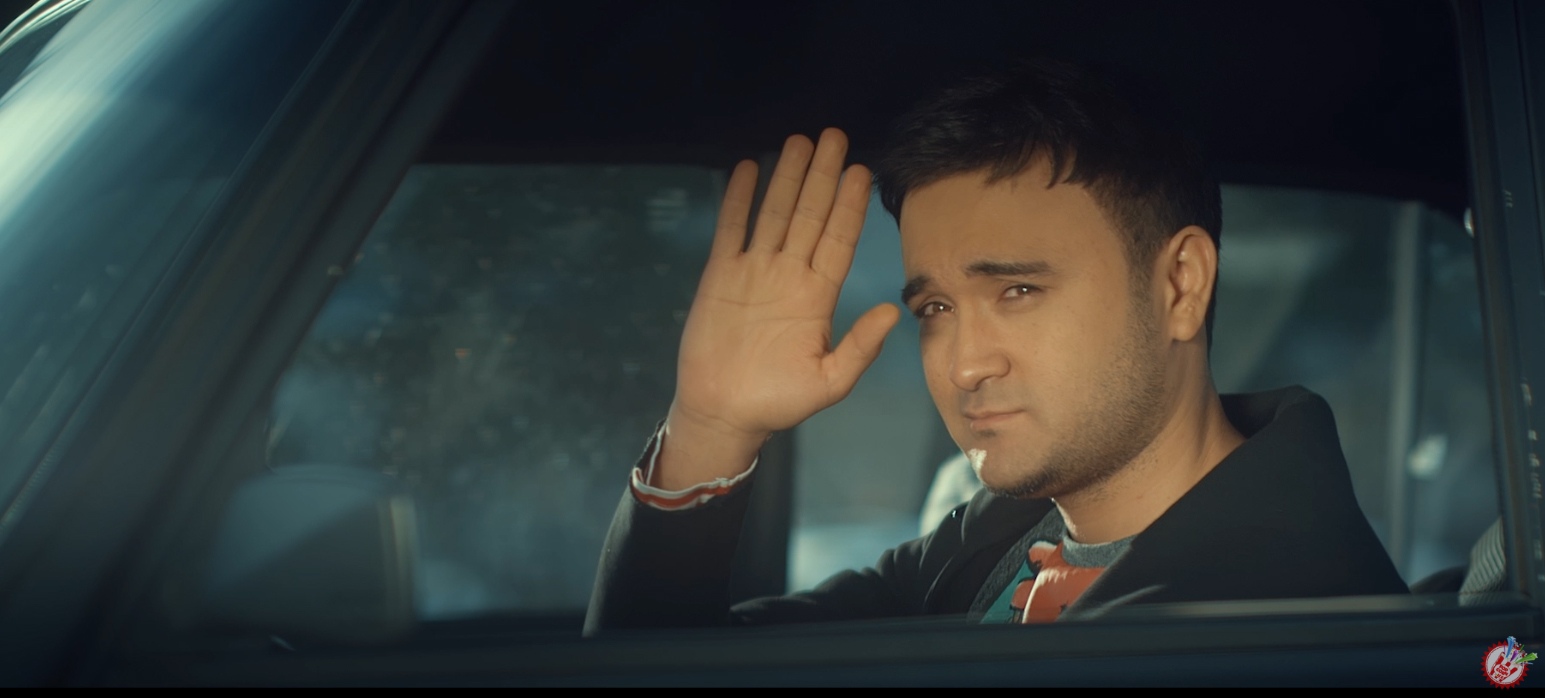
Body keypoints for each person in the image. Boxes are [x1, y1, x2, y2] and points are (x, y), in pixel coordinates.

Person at [584, 60, 1407, 632]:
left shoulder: (1280, 614)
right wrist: (710, 426)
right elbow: (671, 670)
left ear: (1179, 285)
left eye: (1017, 291)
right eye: (935, 307)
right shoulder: (996, 534)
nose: (964, 364)